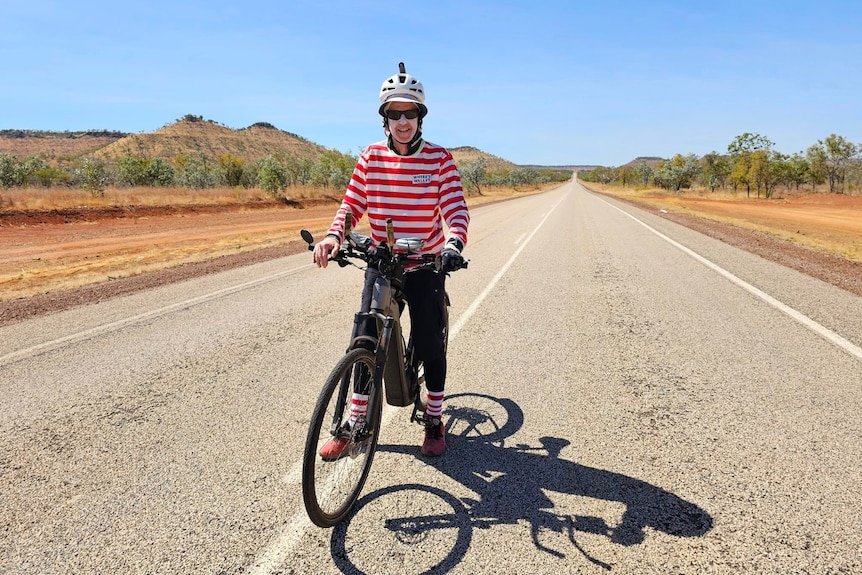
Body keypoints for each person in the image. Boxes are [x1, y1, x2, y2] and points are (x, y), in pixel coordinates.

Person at [312, 62, 469, 457]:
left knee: (431, 344)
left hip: (425, 265)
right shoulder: (371, 158)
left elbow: (455, 210)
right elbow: (351, 206)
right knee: (364, 337)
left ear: (420, 118)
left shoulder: (438, 160)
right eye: (395, 113)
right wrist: (334, 236)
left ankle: (434, 418)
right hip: (383, 261)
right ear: (385, 119)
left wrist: (453, 245)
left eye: (410, 113)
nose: (403, 121)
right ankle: (354, 423)